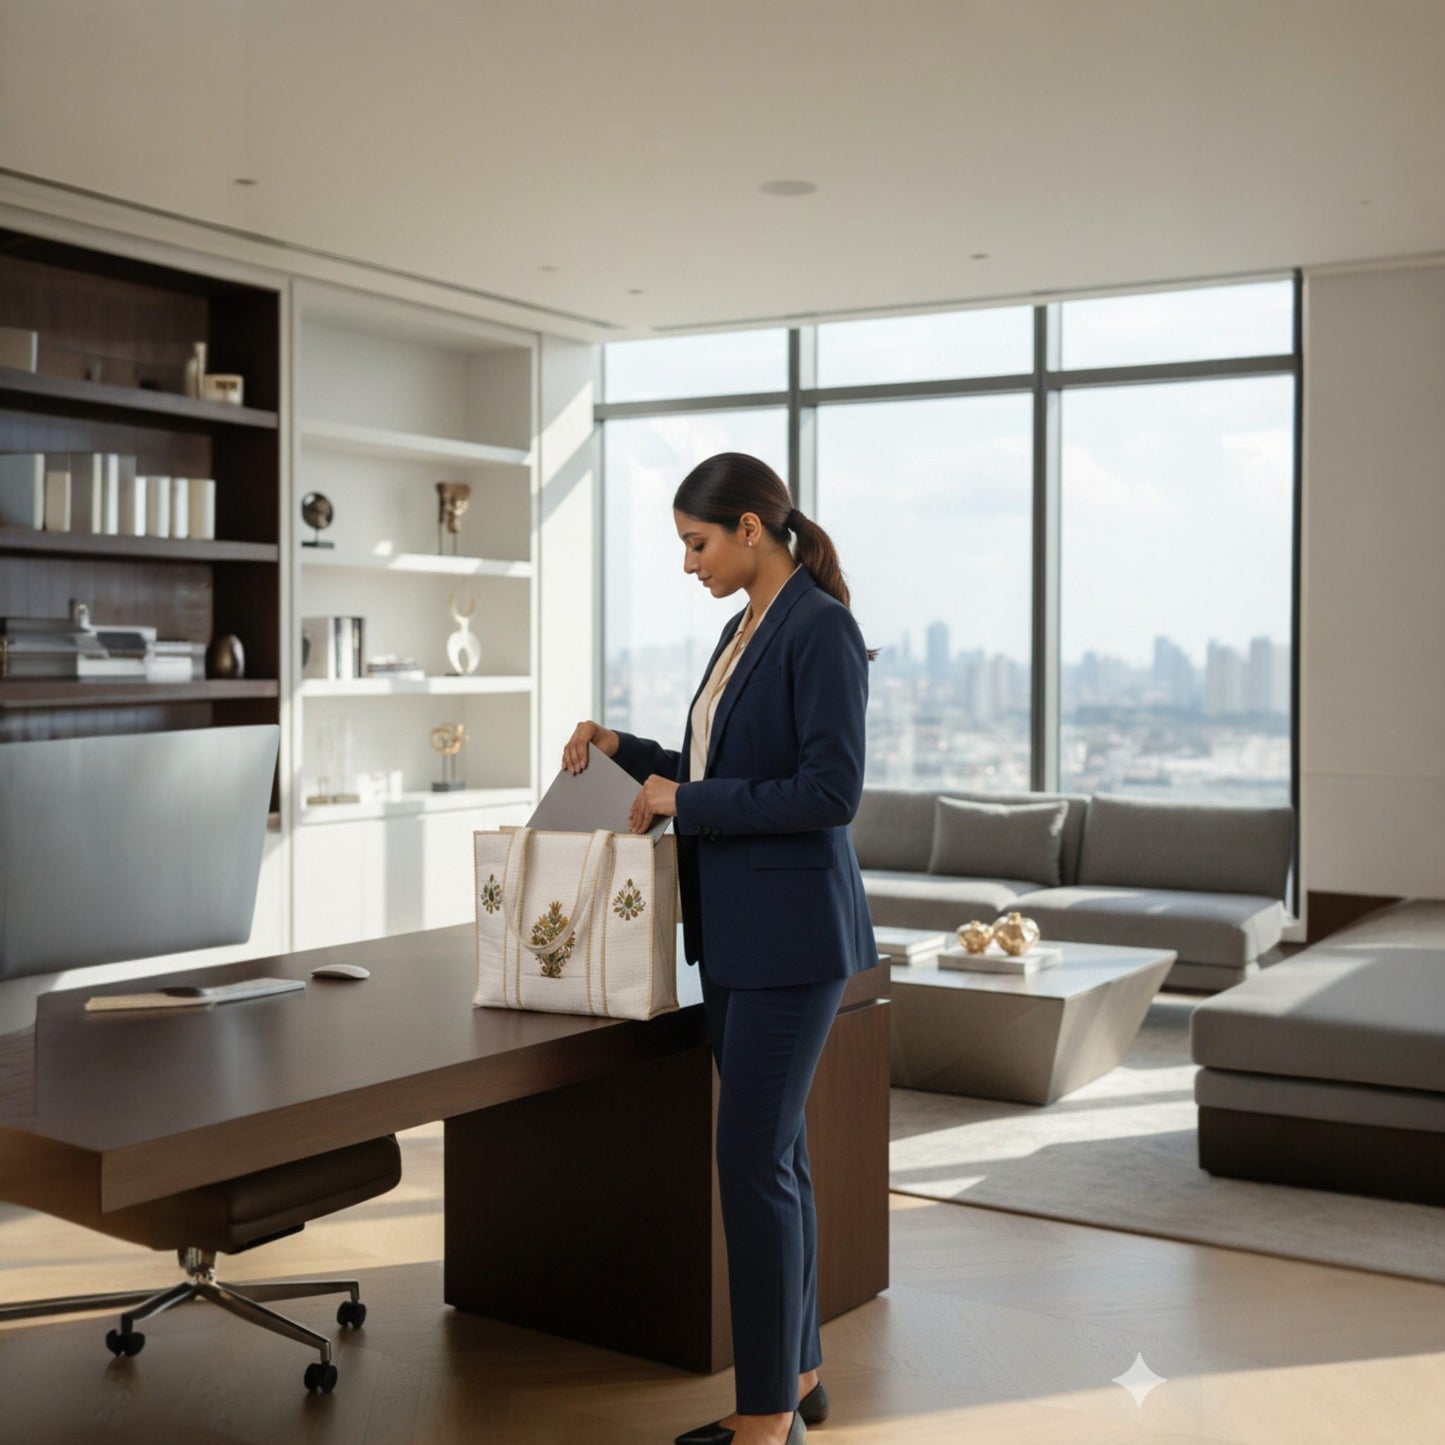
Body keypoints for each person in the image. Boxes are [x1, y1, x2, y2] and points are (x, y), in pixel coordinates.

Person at [561, 452, 879, 1445]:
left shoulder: (819, 629)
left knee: (746, 1155)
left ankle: (762, 1418)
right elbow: (707, 767)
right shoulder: (739, 632)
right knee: (773, 1153)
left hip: (792, 939)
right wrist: (626, 751)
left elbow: (830, 793)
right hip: (735, 936)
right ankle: (799, 1372)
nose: (687, 562)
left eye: (696, 543)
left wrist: (682, 800)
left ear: (751, 528)